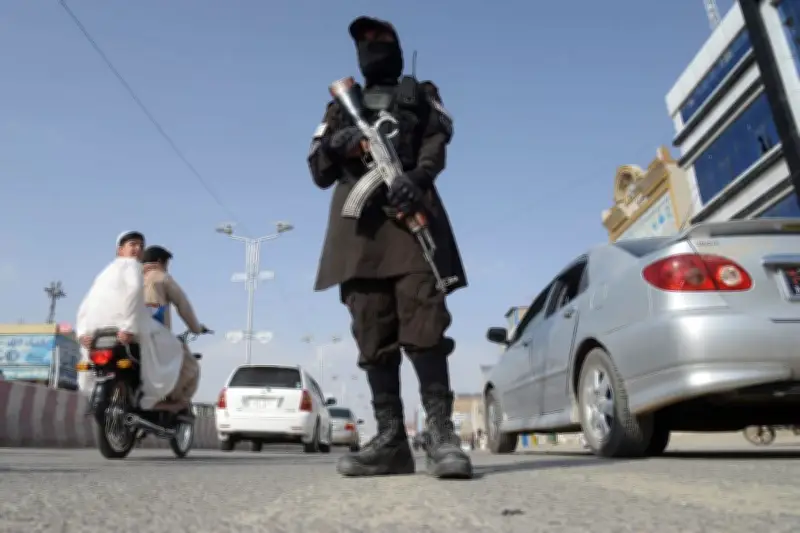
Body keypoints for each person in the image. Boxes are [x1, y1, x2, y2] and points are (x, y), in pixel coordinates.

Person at [307, 16, 471, 479]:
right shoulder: (339, 106)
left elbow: (438, 140)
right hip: (358, 236)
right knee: (371, 333)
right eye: (364, 41)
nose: (372, 46)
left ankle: (440, 434)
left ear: (398, 47)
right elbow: (317, 171)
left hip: (412, 221)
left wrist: (418, 177)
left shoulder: (420, 93)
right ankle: (391, 441)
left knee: (425, 323)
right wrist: (336, 145)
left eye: (381, 38)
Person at [141, 245, 206, 412]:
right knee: (191, 367)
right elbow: (182, 304)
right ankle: (175, 403)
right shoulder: (161, 277)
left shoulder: (128, 279)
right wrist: (196, 328)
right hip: (155, 336)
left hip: (127, 336)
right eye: (167, 264)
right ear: (160, 262)